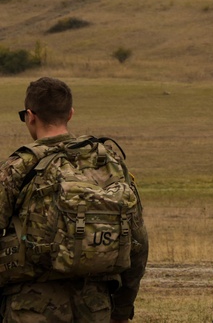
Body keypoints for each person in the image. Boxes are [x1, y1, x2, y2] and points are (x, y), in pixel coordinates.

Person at [0, 77, 148, 323]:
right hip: (96, 306)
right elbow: (138, 242)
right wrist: (121, 310)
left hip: (30, 307)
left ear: (30, 115)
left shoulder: (19, 167)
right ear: (70, 114)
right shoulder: (109, 162)